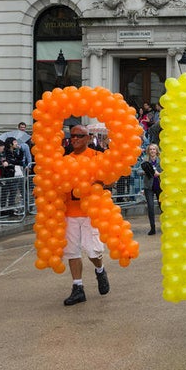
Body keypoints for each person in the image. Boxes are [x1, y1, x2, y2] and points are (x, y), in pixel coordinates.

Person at [62, 125, 110, 306]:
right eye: (72, 136)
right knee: (72, 251)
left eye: (79, 136)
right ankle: (78, 287)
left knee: (92, 250)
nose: (74, 139)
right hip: (70, 212)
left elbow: (110, 180)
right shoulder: (65, 159)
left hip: (90, 212)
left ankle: (100, 270)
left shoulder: (97, 157)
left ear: (88, 138)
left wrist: (99, 182)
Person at [140, 142, 162, 235]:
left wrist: (159, 174)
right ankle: (152, 228)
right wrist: (145, 171)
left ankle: (165, 226)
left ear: (157, 151)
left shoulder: (161, 160)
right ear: (148, 151)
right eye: (151, 149)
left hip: (160, 186)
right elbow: (138, 170)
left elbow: (166, 171)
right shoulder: (145, 160)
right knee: (150, 207)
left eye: (154, 149)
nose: (152, 151)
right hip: (148, 187)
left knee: (162, 207)